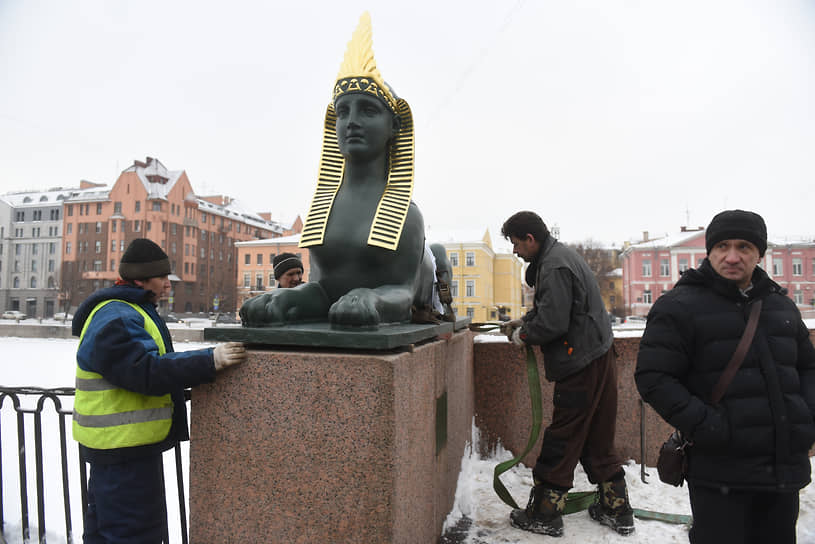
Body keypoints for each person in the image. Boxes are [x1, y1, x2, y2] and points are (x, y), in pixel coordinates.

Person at [239, 12, 438, 328]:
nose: (352, 121)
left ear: (394, 126)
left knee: (434, 253)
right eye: (343, 111)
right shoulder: (325, 206)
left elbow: (402, 292)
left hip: (406, 299)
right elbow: (324, 290)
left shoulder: (406, 215)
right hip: (345, 303)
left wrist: (371, 297)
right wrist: (287, 299)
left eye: (368, 110)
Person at [635, 210, 815, 544]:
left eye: (744, 247)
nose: (732, 257)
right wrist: (710, 426)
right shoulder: (678, 306)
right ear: (710, 251)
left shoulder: (781, 306)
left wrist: (806, 418)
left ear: (760, 253)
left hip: (781, 471)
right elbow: (653, 378)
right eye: (722, 246)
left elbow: (808, 368)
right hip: (719, 472)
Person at [72, 238, 247, 543]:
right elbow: (146, 371)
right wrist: (210, 360)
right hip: (123, 452)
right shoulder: (118, 317)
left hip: (119, 450)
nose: (169, 284)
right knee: (134, 535)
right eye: (162, 277)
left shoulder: (128, 311)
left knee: (106, 534)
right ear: (140, 279)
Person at [500, 211, 634, 537]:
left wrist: (524, 336)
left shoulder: (554, 265)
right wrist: (526, 320)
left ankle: (544, 514)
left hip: (580, 363)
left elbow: (554, 323)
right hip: (598, 355)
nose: (516, 251)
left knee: (563, 437)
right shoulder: (560, 256)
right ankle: (617, 510)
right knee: (598, 437)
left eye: (517, 244)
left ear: (530, 239)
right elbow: (556, 309)